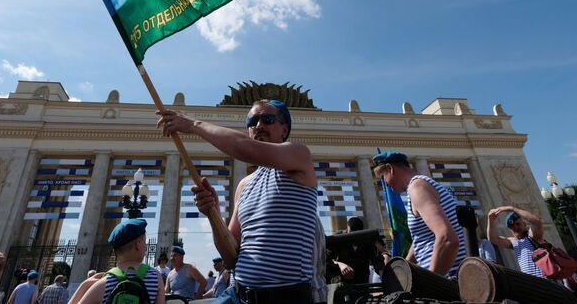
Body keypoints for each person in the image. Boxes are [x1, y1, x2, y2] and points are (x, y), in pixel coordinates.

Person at [159, 98, 318, 303]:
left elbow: (246, 149)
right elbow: (232, 256)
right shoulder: (244, 185)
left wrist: (192, 125)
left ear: (284, 130)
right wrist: (213, 213)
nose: (258, 125)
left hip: (287, 296)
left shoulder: (299, 156)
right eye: (252, 122)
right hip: (239, 295)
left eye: (267, 119)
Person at [372, 151, 466, 277]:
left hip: (448, 279)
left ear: (390, 168)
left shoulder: (417, 188)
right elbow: (420, 241)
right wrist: (402, 268)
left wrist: (431, 282)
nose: (386, 185)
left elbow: (447, 238)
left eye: (383, 178)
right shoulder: (420, 186)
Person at [77, 218, 164, 304]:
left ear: (115, 251)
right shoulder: (156, 277)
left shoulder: (104, 283)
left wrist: (84, 285)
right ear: (138, 244)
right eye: (145, 242)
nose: (146, 246)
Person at [326, 216, 387, 285]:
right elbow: (328, 259)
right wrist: (340, 265)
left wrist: (384, 277)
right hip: (342, 283)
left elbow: (377, 261)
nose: (353, 237)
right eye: (351, 233)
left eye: (357, 233)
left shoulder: (366, 240)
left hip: (362, 282)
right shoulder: (338, 239)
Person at [487, 206, 544, 278]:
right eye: (512, 226)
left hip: (545, 280)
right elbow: (492, 239)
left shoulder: (532, 236)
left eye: (518, 224)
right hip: (532, 282)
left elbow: (537, 222)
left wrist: (512, 209)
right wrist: (490, 220)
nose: (516, 227)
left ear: (524, 224)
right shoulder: (515, 242)